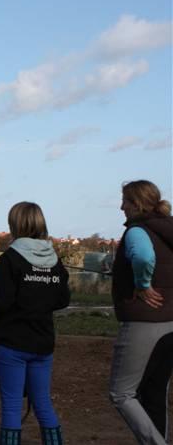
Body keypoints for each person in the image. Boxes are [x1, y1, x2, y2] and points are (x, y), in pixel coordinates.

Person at [0, 202, 70, 445]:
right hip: (43, 343)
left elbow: (2, 302)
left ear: (15, 224)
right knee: (43, 403)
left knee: (12, 407)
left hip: (13, 344)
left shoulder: (10, 259)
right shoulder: (55, 261)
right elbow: (63, 299)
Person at [109, 180, 172, 445]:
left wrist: (142, 284)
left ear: (136, 204)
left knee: (121, 393)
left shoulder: (138, 230)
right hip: (171, 322)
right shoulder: (168, 229)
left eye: (125, 201)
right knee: (155, 390)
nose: (121, 206)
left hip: (143, 320)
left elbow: (144, 258)